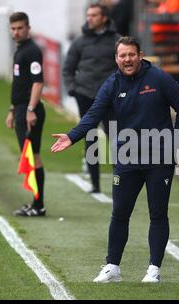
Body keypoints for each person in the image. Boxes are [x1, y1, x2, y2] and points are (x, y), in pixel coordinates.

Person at [51, 36, 179, 282]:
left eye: (131, 54)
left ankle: (153, 270)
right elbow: (92, 115)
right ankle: (112, 267)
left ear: (140, 55)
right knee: (119, 213)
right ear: (116, 59)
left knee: (157, 214)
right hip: (126, 158)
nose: (127, 59)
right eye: (122, 56)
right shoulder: (111, 84)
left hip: (159, 159)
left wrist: (175, 139)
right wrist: (72, 137)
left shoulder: (158, 78)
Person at [63, 2, 121, 193]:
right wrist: (73, 89)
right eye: (88, 15)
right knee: (90, 138)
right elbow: (68, 68)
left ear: (104, 18)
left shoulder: (117, 41)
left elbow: (126, 68)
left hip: (110, 97)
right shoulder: (79, 42)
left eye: (94, 15)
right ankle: (95, 184)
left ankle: (120, 182)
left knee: (116, 138)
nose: (89, 18)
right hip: (85, 95)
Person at [5, 12, 46, 217]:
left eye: (20, 28)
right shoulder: (20, 51)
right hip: (21, 109)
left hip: (30, 110)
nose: (16, 32)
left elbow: (38, 82)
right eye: (13, 28)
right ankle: (36, 204)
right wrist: (13, 110)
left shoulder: (31, 51)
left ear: (28, 28)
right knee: (29, 156)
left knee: (33, 156)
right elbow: (20, 84)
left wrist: (30, 110)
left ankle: (38, 205)